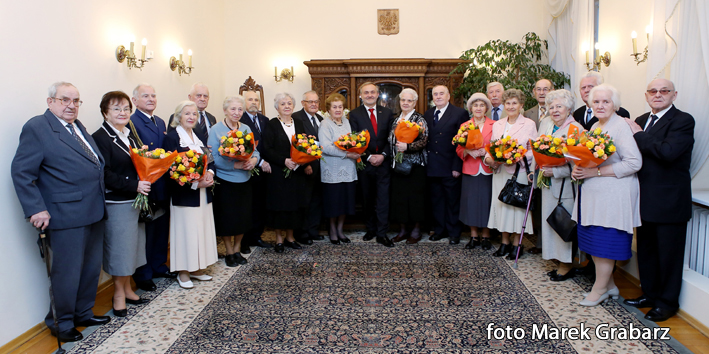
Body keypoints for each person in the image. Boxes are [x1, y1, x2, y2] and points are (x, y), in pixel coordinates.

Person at [12, 82, 109, 342]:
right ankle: (61, 322)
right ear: (50, 101)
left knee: (90, 269)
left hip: (93, 211)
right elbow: (22, 173)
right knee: (67, 272)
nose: (71, 105)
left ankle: (83, 312)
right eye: (65, 99)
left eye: (76, 101)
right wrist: (35, 208)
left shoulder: (78, 126)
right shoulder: (38, 128)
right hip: (65, 215)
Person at [623, 79, 695, 321]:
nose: (658, 94)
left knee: (669, 256)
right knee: (647, 252)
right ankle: (650, 294)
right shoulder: (641, 119)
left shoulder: (683, 120)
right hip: (643, 200)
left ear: (674, 95)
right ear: (646, 95)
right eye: (653, 91)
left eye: (664, 91)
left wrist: (639, 135)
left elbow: (668, 153)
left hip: (669, 202)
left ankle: (667, 303)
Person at [570, 84, 642, 307]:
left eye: (606, 101)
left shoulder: (621, 126)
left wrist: (595, 171)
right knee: (592, 241)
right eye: (596, 102)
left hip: (613, 197)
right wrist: (578, 169)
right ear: (590, 104)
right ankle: (609, 285)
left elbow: (634, 163)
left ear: (615, 105)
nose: (600, 105)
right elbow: (587, 158)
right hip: (593, 197)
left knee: (605, 242)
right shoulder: (594, 128)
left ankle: (599, 289)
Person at [92, 91, 150, 317]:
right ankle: (118, 293)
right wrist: (134, 186)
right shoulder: (100, 137)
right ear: (105, 112)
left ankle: (127, 288)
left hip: (136, 201)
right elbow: (103, 173)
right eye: (116, 109)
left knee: (134, 248)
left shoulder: (130, 135)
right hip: (117, 201)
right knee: (120, 250)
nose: (122, 112)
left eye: (126, 108)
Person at [164, 101, 218, 289]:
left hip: (203, 194)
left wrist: (210, 175)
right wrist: (195, 183)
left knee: (200, 231)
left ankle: (196, 269)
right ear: (178, 116)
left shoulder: (200, 136)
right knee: (185, 233)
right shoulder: (171, 138)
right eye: (187, 113)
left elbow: (209, 161)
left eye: (194, 114)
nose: (191, 117)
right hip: (184, 196)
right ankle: (183, 272)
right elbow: (171, 171)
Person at [130, 84, 176, 292]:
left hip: (163, 183)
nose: (151, 99)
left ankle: (159, 266)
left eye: (153, 96)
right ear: (135, 100)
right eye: (145, 96)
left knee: (161, 227)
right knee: (146, 231)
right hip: (146, 184)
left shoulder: (160, 121)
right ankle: (144, 274)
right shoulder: (132, 121)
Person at [536, 89, 584, 281]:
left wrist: (554, 171)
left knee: (563, 224)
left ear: (569, 108)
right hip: (547, 184)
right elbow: (538, 147)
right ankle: (557, 261)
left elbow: (578, 164)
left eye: (559, 106)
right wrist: (536, 170)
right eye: (551, 106)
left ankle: (566, 264)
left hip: (566, 186)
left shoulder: (576, 129)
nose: (555, 110)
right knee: (551, 223)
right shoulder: (546, 123)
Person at [485, 89, 537, 259]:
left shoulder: (529, 124)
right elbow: (492, 147)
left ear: (521, 105)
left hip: (519, 172)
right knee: (502, 206)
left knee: (516, 208)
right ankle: (504, 242)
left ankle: (517, 244)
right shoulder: (498, 124)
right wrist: (490, 159)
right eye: (508, 103)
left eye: (515, 103)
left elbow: (533, 151)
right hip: (500, 171)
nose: (511, 106)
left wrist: (516, 157)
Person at [208, 96, 259, 267]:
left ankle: (237, 249)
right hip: (225, 181)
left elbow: (255, 151)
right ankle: (229, 252)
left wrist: (253, 161)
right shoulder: (216, 130)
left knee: (243, 218)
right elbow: (213, 157)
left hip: (245, 180)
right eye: (233, 109)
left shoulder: (245, 128)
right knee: (227, 219)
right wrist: (235, 165)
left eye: (239, 109)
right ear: (225, 110)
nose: (236, 113)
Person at [349, 82, 395, 247]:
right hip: (365, 163)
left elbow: (391, 138)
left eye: (372, 92)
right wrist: (368, 157)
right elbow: (354, 139)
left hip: (384, 163)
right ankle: (371, 229)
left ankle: (382, 233)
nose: (369, 95)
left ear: (377, 94)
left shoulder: (388, 113)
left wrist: (383, 155)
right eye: (366, 92)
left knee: (383, 199)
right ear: (361, 95)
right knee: (367, 199)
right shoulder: (354, 114)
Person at [261, 93, 308, 253]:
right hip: (278, 173)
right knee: (280, 207)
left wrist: (302, 160)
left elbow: (305, 144)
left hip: (296, 172)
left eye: (289, 103)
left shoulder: (300, 123)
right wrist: (284, 161)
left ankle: (290, 237)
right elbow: (267, 149)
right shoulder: (272, 124)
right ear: (277, 108)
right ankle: (279, 240)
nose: (287, 106)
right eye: (283, 104)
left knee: (294, 206)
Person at [425, 85, 470, 245]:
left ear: (448, 96)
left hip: (450, 166)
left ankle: (454, 232)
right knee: (437, 201)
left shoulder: (460, 113)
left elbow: (463, 142)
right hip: (432, 166)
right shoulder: (428, 114)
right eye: (435, 94)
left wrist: (457, 166)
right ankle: (439, 230)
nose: (438, 97)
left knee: (452, 201)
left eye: (441, 94)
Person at [388, 88, 429, 244]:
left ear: (415, 102)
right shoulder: (396, 119)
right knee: (400, 198)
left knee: (416, 199)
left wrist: (408, 147)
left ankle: (416, 230)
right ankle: (403, 230)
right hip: (398, 166)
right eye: (403, 100)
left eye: (409, 100)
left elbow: (424, 140)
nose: (405, 103)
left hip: (415, 166)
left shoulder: (419, 119)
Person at [319, 93, 360, 244]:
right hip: (332, 169)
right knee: (333, 203)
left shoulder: (347, 122)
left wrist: (356, 149)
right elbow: (325, 147)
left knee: (345, 202)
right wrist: (348, 154)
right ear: (328, 109)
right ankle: (333, 230)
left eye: (340, 107)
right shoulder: (325, 124)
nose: (337, 110)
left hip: (348, 170)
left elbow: (352, 141)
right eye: (334, 107)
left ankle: (341, 229)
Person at [457, 93, 495, 250]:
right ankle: (473, 236)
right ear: (471, 108)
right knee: (471, 203)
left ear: (486, 108)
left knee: (487, 202)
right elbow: (458, 147)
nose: (478, 108)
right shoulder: (465, 125)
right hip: (470, 169)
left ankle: (486, 236)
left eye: (481, 105)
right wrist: (467, 152)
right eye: (475, 105)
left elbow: (498, 145)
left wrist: (486, 153)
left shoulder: (495, 124)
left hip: (488, 169)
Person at [524, 79, 555, 254]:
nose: (542, 92)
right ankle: (540, 242)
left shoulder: (559, 112)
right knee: (537, 205)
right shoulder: (528, 113)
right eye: (539, 89)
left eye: (546, 89)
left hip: (554, 166)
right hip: (533, 165)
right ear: (534, 92)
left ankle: (549, 245)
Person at [241, 90, 273, 252]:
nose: (254, 102)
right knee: (248, 206)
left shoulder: (265, 120)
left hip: (264, 170)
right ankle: (245, 240)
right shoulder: (240, 120)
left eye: (256, 100)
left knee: (261, 205)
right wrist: (258, 161)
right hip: (248, 168)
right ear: (243, 102)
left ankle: (257, 236)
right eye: (250, 99)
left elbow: (267, 144)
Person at [292, 91, 324, 244]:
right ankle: (302, 233)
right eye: (310, 102)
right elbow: (297, 143)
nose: (314, 104)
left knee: (316, 199)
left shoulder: (320, 118)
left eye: (316, 102)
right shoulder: (297, 118)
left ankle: (313, 230)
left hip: (320, 167)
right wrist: (306, 164)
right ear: (303, 103)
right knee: (305, 200)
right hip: (307, 167)